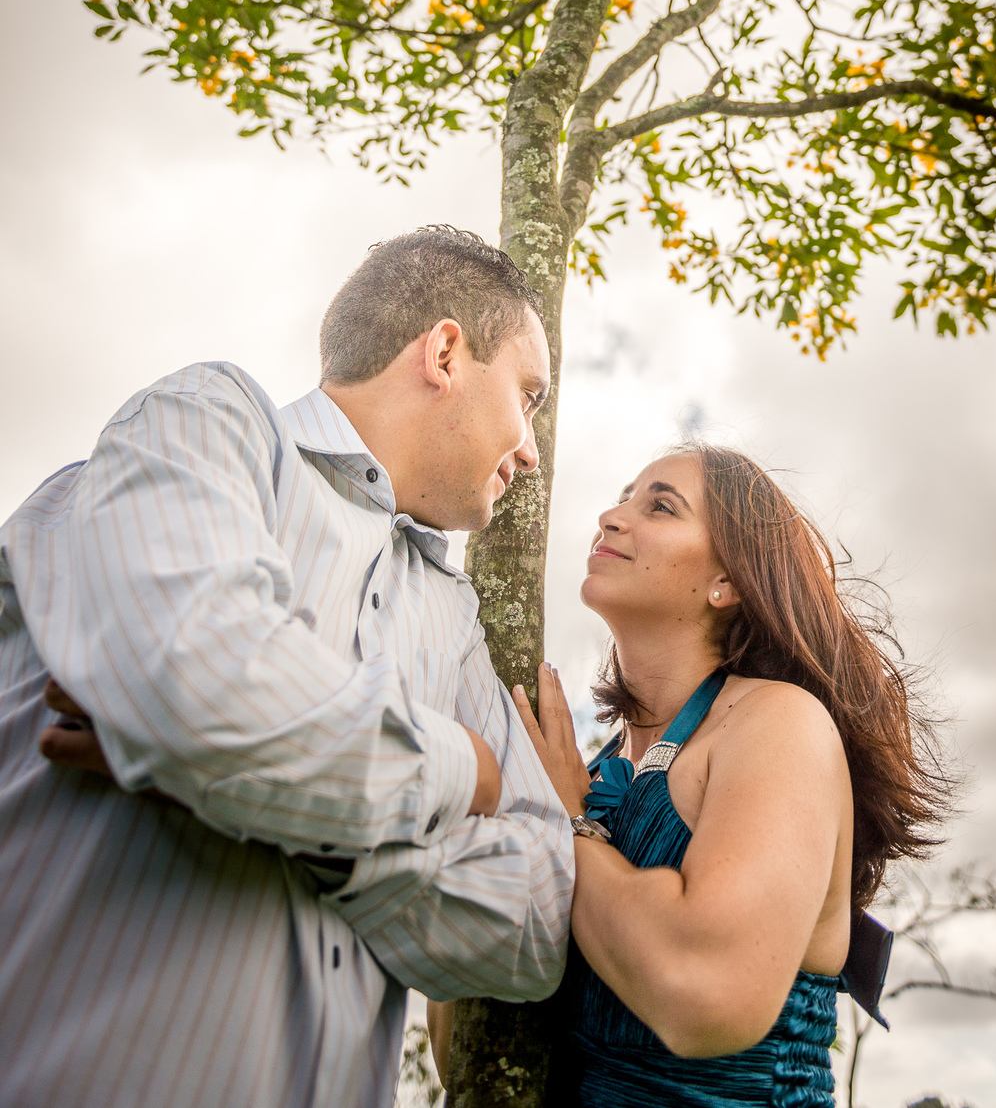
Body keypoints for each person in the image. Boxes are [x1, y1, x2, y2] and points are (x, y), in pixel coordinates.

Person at [0, 226, 573, 1108]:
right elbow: (198, 691)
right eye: (527, 397)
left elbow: (538, 918)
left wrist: (307, 833)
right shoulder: (204, 424)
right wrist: (464, 767)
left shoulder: (453, 620)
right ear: (447, 352)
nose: (530, 449)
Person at [511, 444, 949, 1108]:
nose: (609, 516)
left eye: (659, 505)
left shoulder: (777, 723)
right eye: (623, 497)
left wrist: (563, 826)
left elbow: (706, 990)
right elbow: (475, 1038)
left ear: (728, 581)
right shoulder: (582, 770)